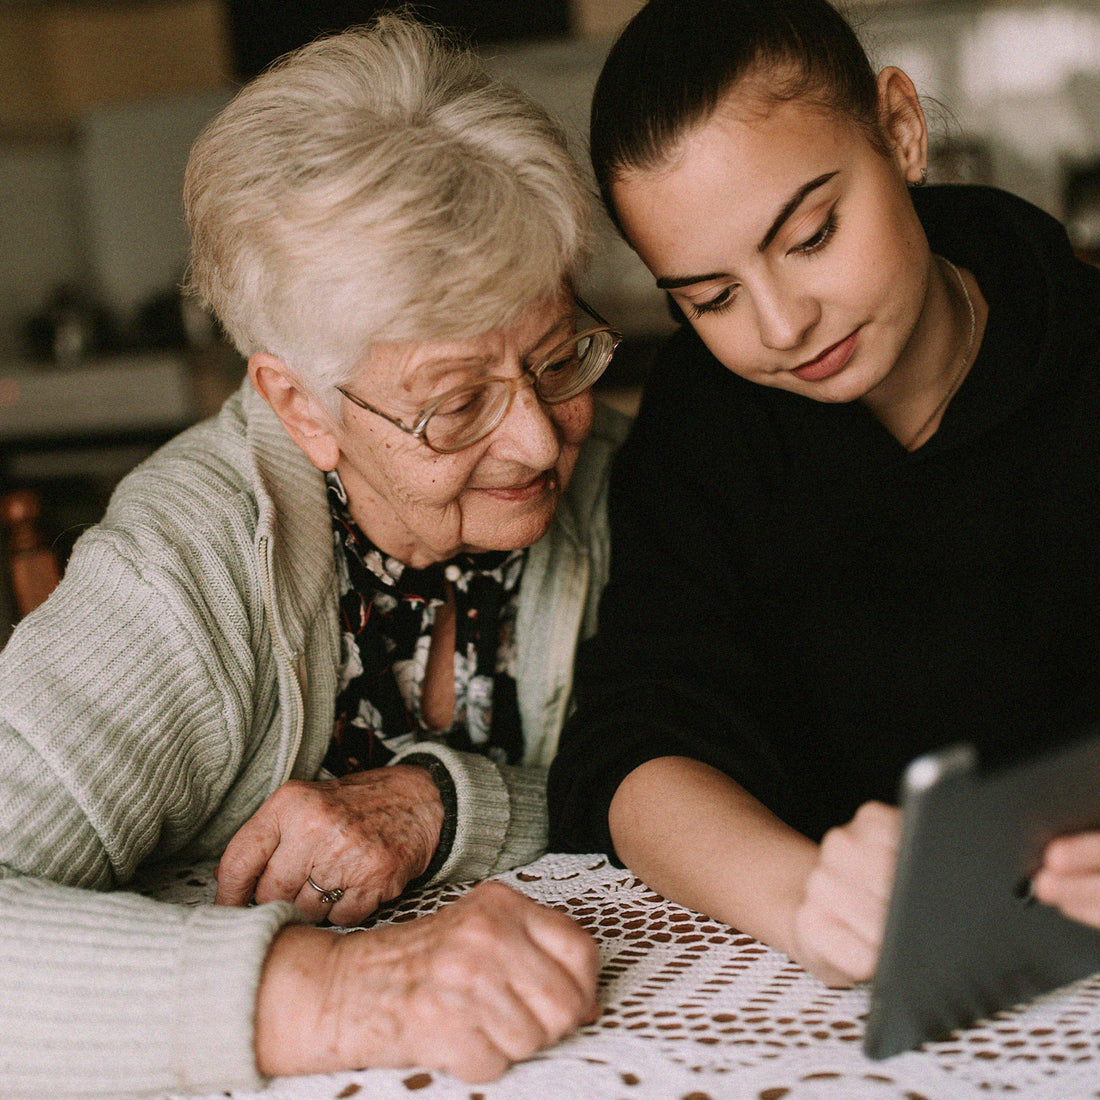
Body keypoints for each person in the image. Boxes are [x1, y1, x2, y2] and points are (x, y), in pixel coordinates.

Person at [0, 14, 630, 1096]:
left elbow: (706, 762)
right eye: (456, 401)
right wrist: (336, 994)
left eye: (556, 351)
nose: (537, 438)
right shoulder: (187, 569)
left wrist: (444, 807)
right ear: (301, 405)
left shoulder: (617, 478)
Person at [548, 0, 1100, 990]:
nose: (781, 323)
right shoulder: (703, 423)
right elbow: (632, 744)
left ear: (898, 128)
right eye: (708, 297)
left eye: (808, 235)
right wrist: (802, 895)